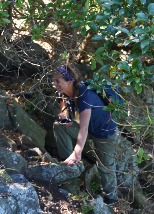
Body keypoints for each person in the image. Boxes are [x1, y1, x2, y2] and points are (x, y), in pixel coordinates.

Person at [53, 64, 118, 204]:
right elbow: (63, 109)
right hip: (88, 128)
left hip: (104, 131)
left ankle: (111, 199)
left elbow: (83, 128)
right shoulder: (63, 91)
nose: (55, 84)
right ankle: (69, 165)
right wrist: (64, 119)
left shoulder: (84, 94)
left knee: (106, 166)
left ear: (69, 82)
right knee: (59, 126)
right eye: (54, 80)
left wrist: (77, 151)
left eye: (58, 81)